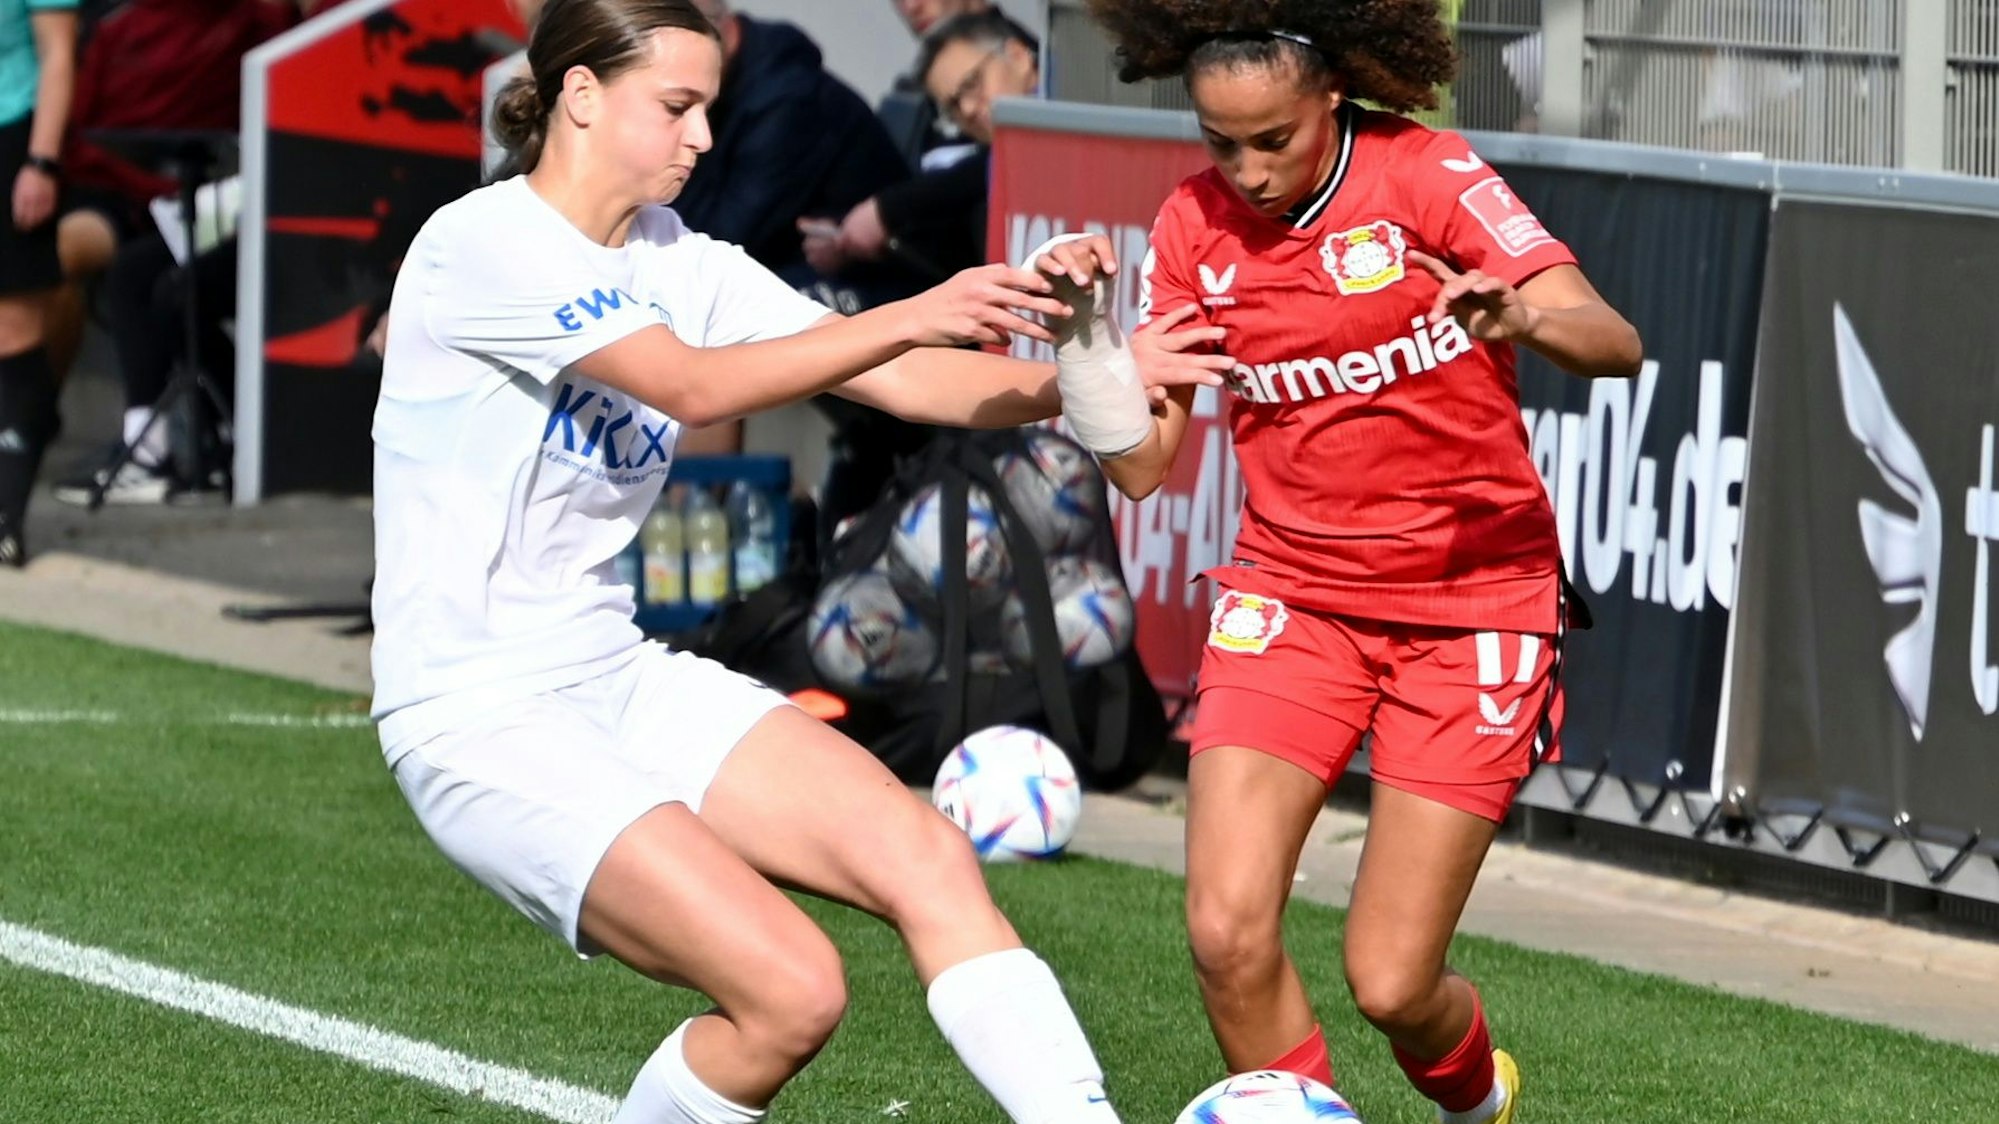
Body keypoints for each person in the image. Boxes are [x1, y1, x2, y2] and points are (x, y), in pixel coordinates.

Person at [369, 2, 1221, 1122]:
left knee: (927, 857)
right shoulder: (481, 243)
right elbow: (692, 386)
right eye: (677, 107)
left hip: (610, 671)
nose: (702, 138)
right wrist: (916, 311)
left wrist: (1095, 365)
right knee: (791, 990)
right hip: (476, 713)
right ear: (580, 95)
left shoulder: (681, 260)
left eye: (709, 109)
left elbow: (908, 382)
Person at [1064, 2, 1644, 1122]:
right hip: (1290, 598)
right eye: (1219, 142)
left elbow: (1613, 342)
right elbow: (1141, 468)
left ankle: (1476, 1101)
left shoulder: (1426, 174)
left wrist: (1520, 316)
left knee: (1391, 981)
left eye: (1272, 139)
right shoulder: (1191, 225)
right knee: (1225, 933)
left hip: (1471, 605)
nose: (1246, 171)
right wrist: (1090, 347)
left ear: (1333, 93)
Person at [0, 0, 75, 565]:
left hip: (12, 133)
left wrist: (42, 163)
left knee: (13, 327)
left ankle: (7, 517)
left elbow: (58, 53)